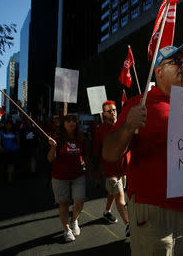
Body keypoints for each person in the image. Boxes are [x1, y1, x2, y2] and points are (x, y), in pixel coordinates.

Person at [103, 44, 183, 255]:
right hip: (158, 215)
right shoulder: (138, 104)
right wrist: (128, 127)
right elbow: (109, 154)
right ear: (158, 71)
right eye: (177, 61)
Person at [47, 114, 90, 243]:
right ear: (64, 124)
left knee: (80, 202)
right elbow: (50, 159)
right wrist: (53, 147)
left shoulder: (81, 138)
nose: (72, 123)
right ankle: (66, 229)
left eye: (74, 121)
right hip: (60, 177)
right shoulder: (57, 138)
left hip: (78, 175)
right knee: (64, 204)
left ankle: (74, 220)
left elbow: (86, 155)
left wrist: (88, 170)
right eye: (68, 121)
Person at [92, 100, 130, 237]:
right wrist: (96, 171)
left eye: (114, 110)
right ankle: (128, 225)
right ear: (104, 113)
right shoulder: (100, 130)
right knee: (120, 196)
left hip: (124, 169)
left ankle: (107, 212)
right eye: (109, 111)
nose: (113, 112)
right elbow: (96, 151)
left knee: (113, 193)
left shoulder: (123, 125)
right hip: (110, 169)